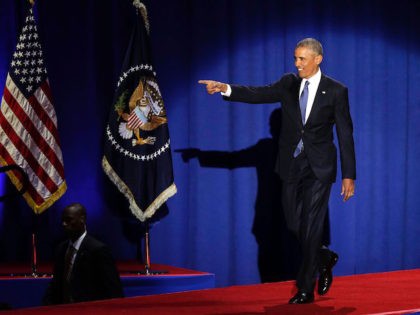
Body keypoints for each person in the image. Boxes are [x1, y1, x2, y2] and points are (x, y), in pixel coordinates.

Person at [199, 38, 356, 304]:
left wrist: (349, 175)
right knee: (295, 224)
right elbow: (257, 93)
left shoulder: (336, 90)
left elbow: (345, 133)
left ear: (318, 59)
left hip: (320, 168)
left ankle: (305, 288)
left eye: (302, 59)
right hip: (291, 166)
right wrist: (225, 88)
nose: (297, 64)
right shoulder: (288, 84)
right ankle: (322, 255)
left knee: (312, 225)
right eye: (295, 58)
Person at [43, 203, 124, 305]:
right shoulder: (61, 249)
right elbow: (56, 286)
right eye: (63, 220)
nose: (64, 224)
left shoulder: (98, 250)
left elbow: (114, 291)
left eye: (68, 220)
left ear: (82, 220)